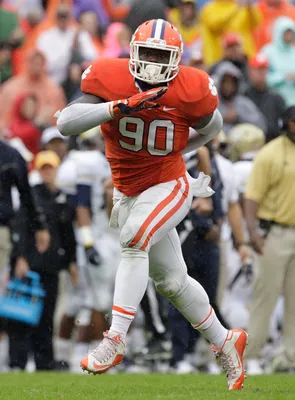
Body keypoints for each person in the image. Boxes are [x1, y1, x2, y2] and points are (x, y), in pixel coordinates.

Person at [56, 19, 248, 390]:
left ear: (176, 59)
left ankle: (115, 339)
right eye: (149, 53)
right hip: (129, 191)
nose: (155, 63)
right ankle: (226, 341)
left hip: (169, 183)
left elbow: (212, 127)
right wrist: (118, 107)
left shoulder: (189, 89)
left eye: (163, 55)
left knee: (134, 238)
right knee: (172, 282)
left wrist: (181, 149)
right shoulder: (112, 79)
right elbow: (66, 124)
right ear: (132, 52)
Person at [8, 150, 77, 371]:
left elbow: (68, 235)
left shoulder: (63, 198)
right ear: (39, 170)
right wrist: (19, 258)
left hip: (51, 266)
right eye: (44, 168)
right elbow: (19, 226)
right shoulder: (31, 196)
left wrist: (72, 262)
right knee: (20, 314)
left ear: (57, 169)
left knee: (47, 317)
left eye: (51, 167)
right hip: (28, 264)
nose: (48, 172)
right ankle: (17, 362)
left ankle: (44, 362)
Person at [244, 106, 295, 374]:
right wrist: (253, 233)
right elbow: (252, 197)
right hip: (275, 233)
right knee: (266, 297)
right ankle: (252, 355)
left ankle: (288, 358)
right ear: (288, 123)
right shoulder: (271, 153)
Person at [200, 0, 261, 66]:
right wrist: (236, 8)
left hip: (245, 57)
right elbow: (214, 25)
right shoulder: (210, 8)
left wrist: (250, 7)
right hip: (220, 59)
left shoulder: (243, 6)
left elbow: (256, 23)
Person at [212, 61, 266, 134]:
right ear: (219, 83)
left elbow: (261, 126)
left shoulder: (244, 103)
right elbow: (206, 128)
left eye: (232, 83)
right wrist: (222, 119)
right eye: (225, 82)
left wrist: (239, 116)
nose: (228, 86)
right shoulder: (213, 104)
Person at [245, 54, 285, 142]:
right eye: (257, 69)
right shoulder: (243, 95)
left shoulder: (277, 98)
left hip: (272, 143)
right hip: (248, 143)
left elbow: (283, 127)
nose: (261, 72)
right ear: (249, 71)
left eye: (263, 69)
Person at [261, 16, 295, 107]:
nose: (289, 36)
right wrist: (284, 77)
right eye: (286, 32)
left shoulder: (293, 52)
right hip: (273, 101)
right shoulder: (268, 52)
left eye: (291, 33)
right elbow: (263, 77)